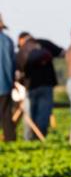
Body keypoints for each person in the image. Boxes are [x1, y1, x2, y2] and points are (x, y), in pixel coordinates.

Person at [16, 32, 63, 140]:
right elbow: (62, 53)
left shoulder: (21, 51)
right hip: (47, 85)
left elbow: (18, 71)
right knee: (44, 114)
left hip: (30, 87)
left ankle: (29, 139)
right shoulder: (44, 43)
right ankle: (41, 137)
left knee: (29, 115)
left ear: (21, 39)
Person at [0, 13, 15, 142]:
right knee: (6, 114)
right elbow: (11, 64)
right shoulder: (7, 41)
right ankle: (10, 140)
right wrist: (12, 82)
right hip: (4, 83)